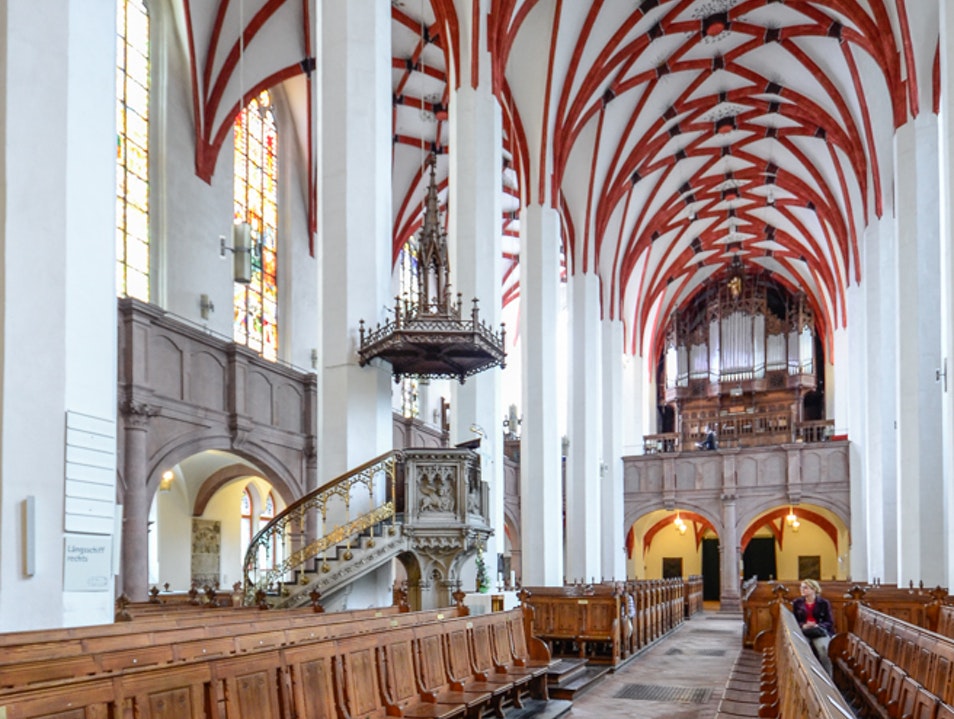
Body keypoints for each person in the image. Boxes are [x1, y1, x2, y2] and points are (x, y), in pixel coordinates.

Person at [792, 579, 834, 675]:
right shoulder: (797, 603)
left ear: (814, 589)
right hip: (804, 631)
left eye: (805, 588)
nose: (802, 590)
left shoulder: (824, 603)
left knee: (823, 649)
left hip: (819, 631)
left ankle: (828, 676)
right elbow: (794, 620)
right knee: (802, 648)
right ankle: (806, 675)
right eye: (801, 587)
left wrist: (817, 625)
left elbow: (829, 622)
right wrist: (803, 625)